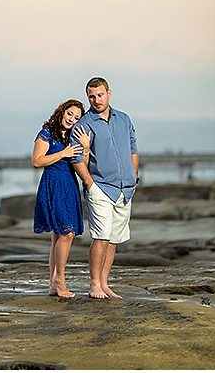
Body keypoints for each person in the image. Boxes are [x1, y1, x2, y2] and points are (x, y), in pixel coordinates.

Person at [69, 77, 139, 299]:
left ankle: (104, 283)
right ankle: (94, 285)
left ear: (109, 93)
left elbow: (133, 150)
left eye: (100, 95)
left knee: (114, 238)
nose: (96, 100)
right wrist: (90, 184)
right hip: (100, 187)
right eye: (91, 96)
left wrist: (134, 178)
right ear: (87, 97)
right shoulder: (83, 125)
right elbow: (77, 159)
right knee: (101, 236)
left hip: (125, 188)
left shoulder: (124, 119)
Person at [32, 99, 92, 298]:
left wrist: (85, 147)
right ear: (61, 111)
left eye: (76, 118)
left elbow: (82, 163)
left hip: (69, 184)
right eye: (70, 114)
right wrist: (63, 153)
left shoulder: (74, 136)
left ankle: (53, 284)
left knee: (59, 235)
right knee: (66, 233)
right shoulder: (47, 132)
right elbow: (37, 161)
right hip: (53, 183)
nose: (71, 119)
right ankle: (60, 280)